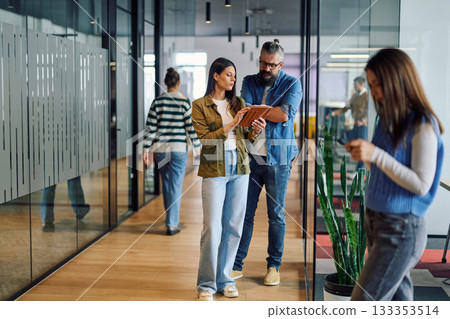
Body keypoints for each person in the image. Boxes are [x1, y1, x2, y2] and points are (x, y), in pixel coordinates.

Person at [345, 48, 444, 301]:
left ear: (397, 79)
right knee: (399, 300)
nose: (374, 91)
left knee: (363, 302)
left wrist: (375, 155)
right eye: (370, 83)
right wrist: (366, 157)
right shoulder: (387, 119)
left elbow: (421, 185)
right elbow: (387, 171)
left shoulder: (422, 123)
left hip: (401, 229)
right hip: (377, 221)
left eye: (378, 83)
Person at [192, 57, 266, 301]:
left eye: (234, 75)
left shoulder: (239, 103)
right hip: (214, 168)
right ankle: (206, 285)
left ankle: (225, 279)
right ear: (215, 75)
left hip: (240, 167)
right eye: (228, 74)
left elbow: (246, 139)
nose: (233, 79)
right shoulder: (200, 105)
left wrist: (255, 129)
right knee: (212, 228)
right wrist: (232, 124)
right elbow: (206, 140)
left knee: (233, 226)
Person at [231, 39, 303, 286]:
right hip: (251, 156)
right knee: (245, 213)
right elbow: (243, 111)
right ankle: (236, 264)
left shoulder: (292, 83)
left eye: (271, 65)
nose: (266, 68)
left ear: (280, 64)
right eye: (263, 63)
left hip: (279, 159)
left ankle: (274, 266)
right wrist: (261, 112)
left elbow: (285, 114)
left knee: (276, 215)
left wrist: (257, 112)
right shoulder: (249, 81)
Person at [143, 68, 201, 236]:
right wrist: (197, 148)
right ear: (178, 83)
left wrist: (146, 149)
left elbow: (150, 129)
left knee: (167, 185)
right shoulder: (184, 102)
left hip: (161, 150)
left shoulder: (157, 102)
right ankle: (171, 223)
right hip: (178, 150)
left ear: (165, 83)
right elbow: (191, 127)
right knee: (174, 186)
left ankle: (170, 218)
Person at [328, 76, 368, 170]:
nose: (354, 87)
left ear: (362, 84)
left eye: (356, 85)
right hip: (356, 125)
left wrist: (363, 121)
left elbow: (370, 112)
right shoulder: (354, 96)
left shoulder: (367, 96)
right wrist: (333, 113)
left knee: (361, 147)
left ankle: (360, 170)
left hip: (363, 126)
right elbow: (346, 108)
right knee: (349, 141)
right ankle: (356, 167)